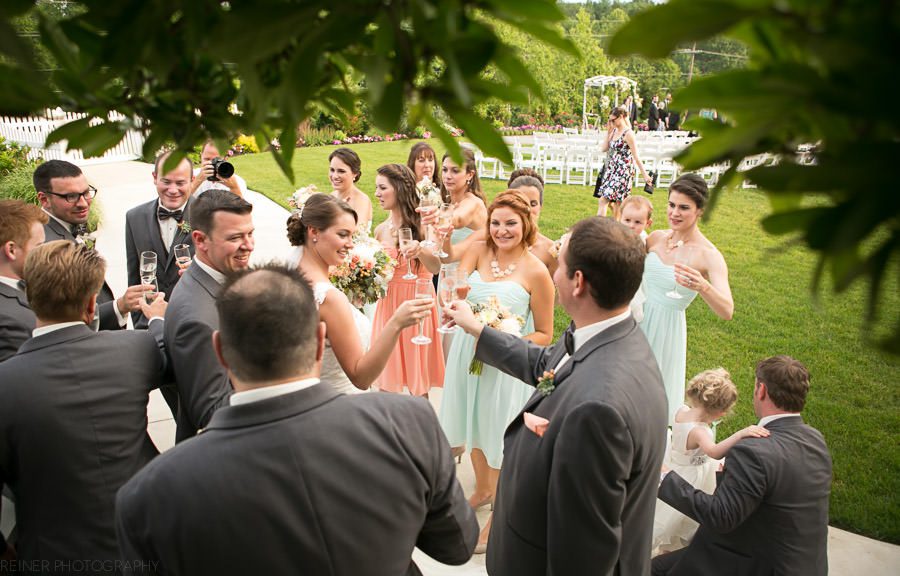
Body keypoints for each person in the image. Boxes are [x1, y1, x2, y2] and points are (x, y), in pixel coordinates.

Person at [115, 264, 479, 575]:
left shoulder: (149, 494)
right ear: (321, 341)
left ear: (220, 350)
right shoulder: (408, 422)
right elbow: (457, 546)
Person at [445, 216, 668, 576]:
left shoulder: (597, 411)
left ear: (578, 282)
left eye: (559, 265)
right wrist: (478, 330)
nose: (552, 274)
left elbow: (582, 552)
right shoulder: (610, 333)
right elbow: (547, 364)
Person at [0, 241, 166, 567]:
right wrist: (158, 320)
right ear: (92, 304)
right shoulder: (135, 349)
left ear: (29, 297)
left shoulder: (5, 382)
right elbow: (162, 349)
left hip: (54, 556)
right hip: (144, 541)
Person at [439, 190, 555, 554]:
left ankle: (501, 511)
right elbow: (451, 280)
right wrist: (456, 311)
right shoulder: (477, 251)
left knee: (498, 432)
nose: (501, 230)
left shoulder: (537, 271)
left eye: (510, 224)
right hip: (465, 355)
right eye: (495, 223)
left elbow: (546, 335)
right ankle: (483, 490)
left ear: (526, 225)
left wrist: (501, 336)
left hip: (504, 365)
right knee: (471, 423)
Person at [652, 356, 832, 576]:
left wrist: (663, 476)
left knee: (645, 570)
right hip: (798, 563)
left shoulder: (753, 451)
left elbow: (721, 517)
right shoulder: (814, 440)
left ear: (762, 390)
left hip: (750, 563)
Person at [287, 194, 432, 394]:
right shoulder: (329, 298)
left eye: (352, 236)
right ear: (314, 231)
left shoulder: (289, 270)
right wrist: (397, 322)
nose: (350, 244)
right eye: (343, 234)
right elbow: (361, 377)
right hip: (340, 402)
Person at [642, 174, 734, 423]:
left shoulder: (708, 255)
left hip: (666, 330)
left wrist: (703, 286)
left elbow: (727, 310)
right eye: (671, 205)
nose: (675, 213)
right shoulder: (655, 238)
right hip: (636, 320)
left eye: (684, 207)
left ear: (700, 211)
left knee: (652, 401)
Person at [164, 189, 254, 441]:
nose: (249, 245)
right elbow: (212, 412)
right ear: (200, 240)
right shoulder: (197, 318)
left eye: (250, 233)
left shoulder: (217, 278)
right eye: (236, 237)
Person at [652, 368, 770, 555]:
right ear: (719, 412)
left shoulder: (681, 411)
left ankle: (667, 551)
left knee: (671, 517)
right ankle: (669, 552)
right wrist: (741, 434)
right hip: (690, 476)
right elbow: (714, 452)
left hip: (677, 465)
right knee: (678, 518)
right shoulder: (699, 431)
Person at [34, 159, 146, 330]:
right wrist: (119, 306)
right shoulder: (47, 247)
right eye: (71, 196)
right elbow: (67, 318)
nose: (83, 203)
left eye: (86, 193)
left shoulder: (63, 226)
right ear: (44, 199)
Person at [371, 163, 444, 397]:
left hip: (416, 302)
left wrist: (420, 250)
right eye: (376, 188)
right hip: (389, 305)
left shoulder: (425, 225)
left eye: (383, 188)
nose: (377, 194)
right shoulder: (380, 230)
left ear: (400, 189)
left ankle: (421, 429)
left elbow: (436, 267)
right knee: (386, 378)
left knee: (417, 378)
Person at [125, 151, 195, 330]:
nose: (173, 190)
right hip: (150, 324)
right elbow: (134, 276)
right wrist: (142, 322)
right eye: (166, 181)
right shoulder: (134, 218)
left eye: (180, 183)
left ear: (192, 180)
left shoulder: (209, 216)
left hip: (195, 322)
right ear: (155, 178)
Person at [0, 200, 46, 361]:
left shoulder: (25, 286)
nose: (45, 254)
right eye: (39, 247)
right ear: (11, 250)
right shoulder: (7, 322)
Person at [594, 106, 652, 219]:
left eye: (613, 120)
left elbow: (636, 156)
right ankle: (616, 228)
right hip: (612, 169)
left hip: (623, 170)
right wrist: (608, 132)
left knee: (605, 200)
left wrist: (645, 174)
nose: (611, 122)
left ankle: (599, 227)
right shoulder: (614, 130)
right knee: (616, 204)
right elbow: (604, 148)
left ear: (621, 117)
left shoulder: (628, 134)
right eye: (609, 120)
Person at [508, 174, 556, 277]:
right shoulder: (494, 242)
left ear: (540, 206)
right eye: (521, 202)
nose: (527, 209)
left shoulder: (550, 251)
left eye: (533, 204)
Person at [619, 195, 653, 322]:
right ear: (620, 218)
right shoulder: (617, 235)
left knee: (632, 310)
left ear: (648, 223)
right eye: (627, 220)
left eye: (638, 222)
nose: (631, 225)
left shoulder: (644, 239)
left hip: (633, 279)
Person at [329, 147, 373, 234]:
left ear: (355, 174)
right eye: (332, 170)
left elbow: (358, 231)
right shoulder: (331, 196)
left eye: (341, 171)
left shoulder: (362, 200)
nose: (334, 176)